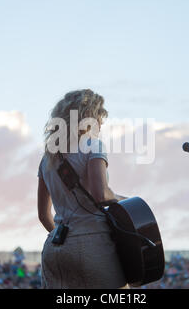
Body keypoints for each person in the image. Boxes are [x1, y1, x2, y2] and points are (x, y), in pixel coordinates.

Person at [37, 89, 128, 289]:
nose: (101, 124)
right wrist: (128, 201)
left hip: (55, 248)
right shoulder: (93, 146)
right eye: (99, 118)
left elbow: (44, 215)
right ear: (88, 117)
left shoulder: (48, 157)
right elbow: (101, 195)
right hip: (92, 243)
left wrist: (66, 239)